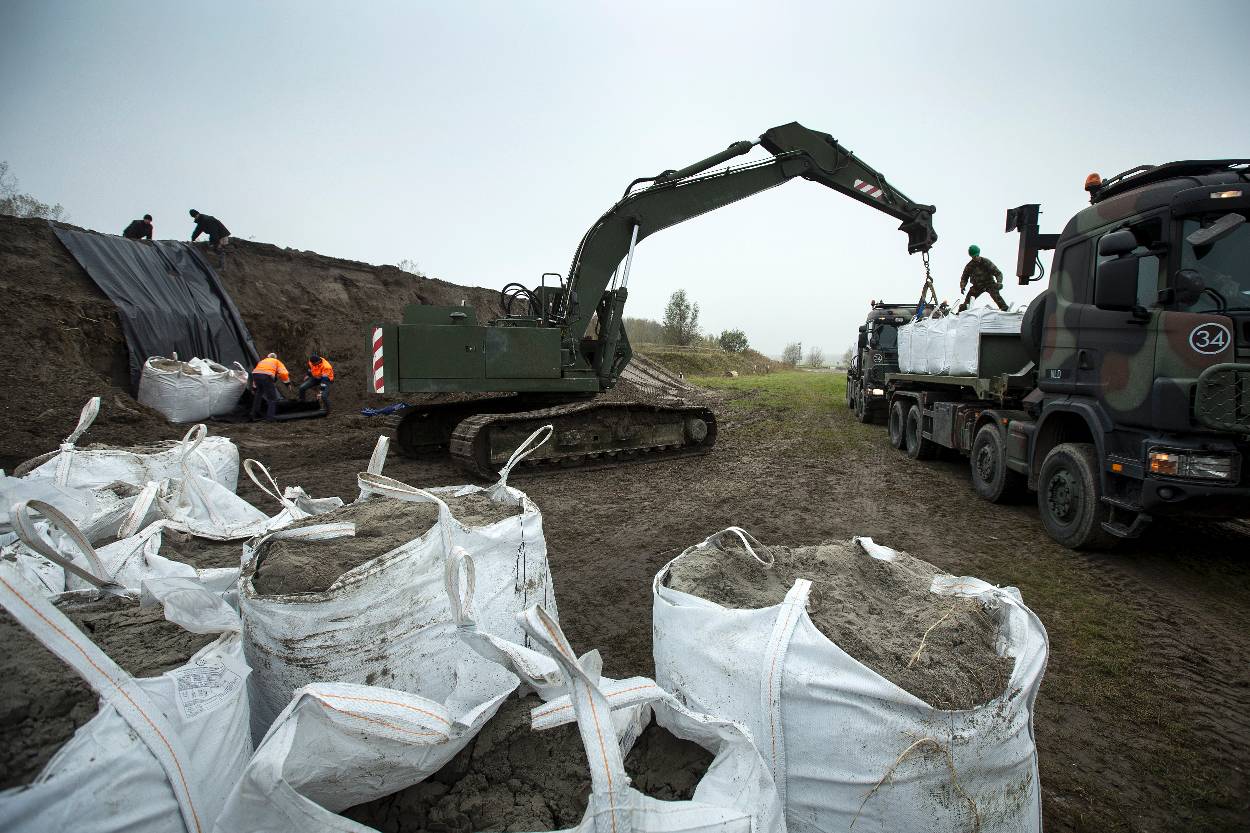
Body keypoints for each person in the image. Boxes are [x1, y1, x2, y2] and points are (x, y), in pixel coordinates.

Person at [958, 245, 1009, 312]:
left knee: (995, 294)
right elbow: (964, 277)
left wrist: (999, 282)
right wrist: (962, 286)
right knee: (969, 299)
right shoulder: (969, 266)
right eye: (973, 257)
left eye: (976, 256)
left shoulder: (986, 262)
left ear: (978, 254)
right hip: (977, 286)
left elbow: (998, 273)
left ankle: (1005, 308)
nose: (975, 258)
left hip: (989, 284)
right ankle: (961, 312)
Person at [250, 353, 291, 420]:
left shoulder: (262, 361)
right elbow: (283, 373)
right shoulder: (276, 362)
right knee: (272, 398)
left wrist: (254, 387)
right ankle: (270, 417)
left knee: (258, 394)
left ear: (268, 357)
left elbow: (258, 373)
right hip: (266, 376)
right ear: (275, 358)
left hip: (256, 375)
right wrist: (287, 383)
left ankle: (254, 414)